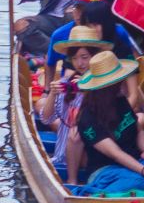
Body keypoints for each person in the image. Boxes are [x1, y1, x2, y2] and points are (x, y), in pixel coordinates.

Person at [74, 51, 144, 194]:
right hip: (107, 171)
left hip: (135, 163)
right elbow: (115, 154)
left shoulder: (120, 100)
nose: (122, 84)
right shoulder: (87, 118)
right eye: (117, 82)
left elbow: (138, 129)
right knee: (141, 181)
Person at [37, 26, 112, 182]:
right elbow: (46, 119)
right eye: (76, 58)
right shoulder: (67, 84)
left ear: (94, 56)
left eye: (85, 57)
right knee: (74, 134)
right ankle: (72, 180)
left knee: (77, 134)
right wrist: (52, 93)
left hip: (93, 149)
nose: (80, 63)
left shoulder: (106, 85)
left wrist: (88, 92)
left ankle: (74, 180)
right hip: (66, 151)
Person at [46, 0, 136, 85]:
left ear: (106, 24)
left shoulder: (120, 43)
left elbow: (131, 91)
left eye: (95, 25)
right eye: (88, 25)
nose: (91, 29)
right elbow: (68, 71)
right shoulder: (78, 43)